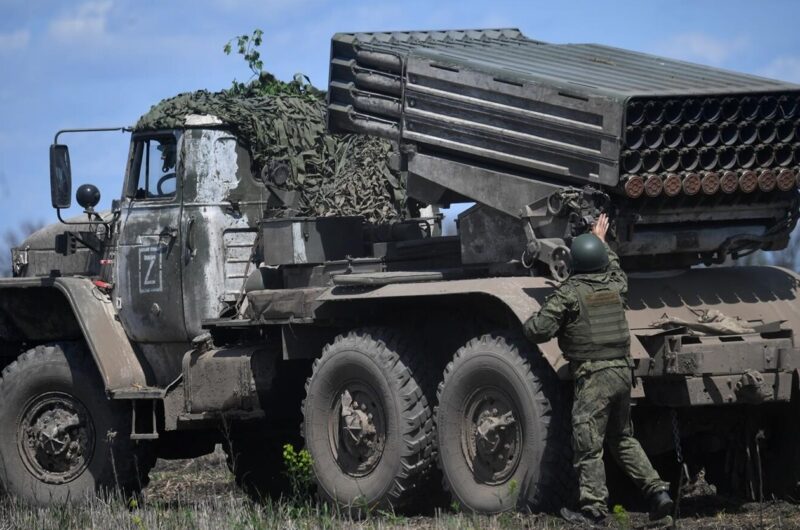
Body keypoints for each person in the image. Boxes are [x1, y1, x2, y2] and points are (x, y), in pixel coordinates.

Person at [523, 213, 673, 526]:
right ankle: (658, 494)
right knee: (622, 439)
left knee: (588, 445)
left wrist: (527, 322)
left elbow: (539, 330)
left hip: (593, 377)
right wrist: (603, 242)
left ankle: (592, 510)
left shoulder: (569, 293)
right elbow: (615, 268)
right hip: (621, 373)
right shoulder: (616, 285)